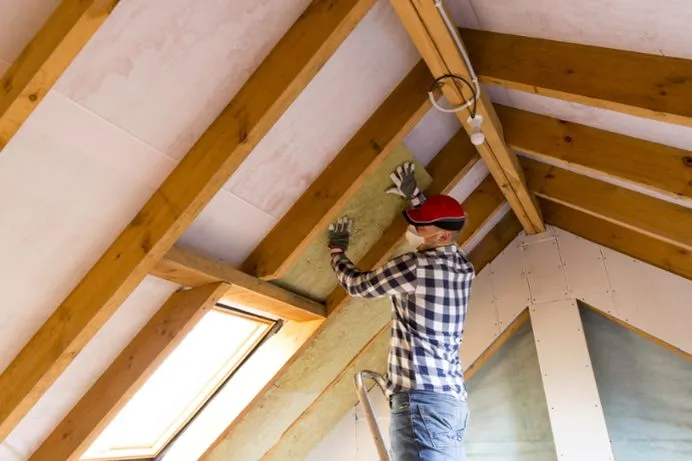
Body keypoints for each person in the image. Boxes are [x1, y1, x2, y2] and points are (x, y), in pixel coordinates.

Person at [327, 161, 475, 461]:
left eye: (422, 225)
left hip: (422, 404)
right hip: (450, 403)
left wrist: (337, 253)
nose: (414, 229)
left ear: (444, 236)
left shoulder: (415, 267)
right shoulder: (463, 265)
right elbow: (439, 226)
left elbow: (358, 286)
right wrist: (415, 197)